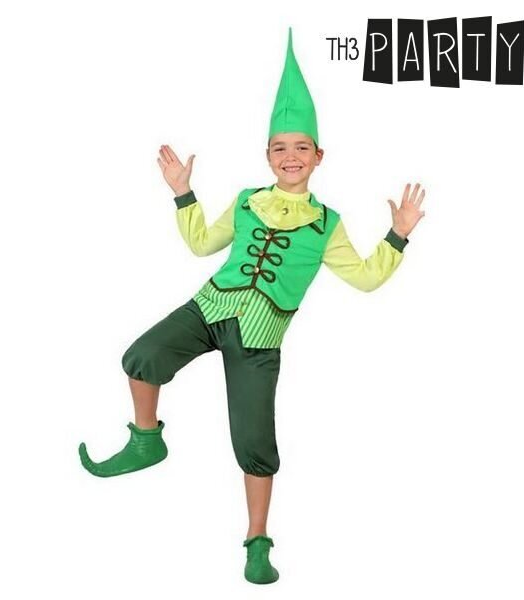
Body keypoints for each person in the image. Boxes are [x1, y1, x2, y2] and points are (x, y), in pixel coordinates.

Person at [78, 27, 426, 585]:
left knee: (254, 442)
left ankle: (257, 541)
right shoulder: (245, 202)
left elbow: (365, 278)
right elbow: (201, 245)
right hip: (208, 308)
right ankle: (147, 440)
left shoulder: (326, 223)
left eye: (302, 147)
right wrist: (182, 191)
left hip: (260, 338)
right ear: (267, 155)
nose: (291, 157)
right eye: (280, 147)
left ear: (319, 156)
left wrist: (398, 235)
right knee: (141, 357)